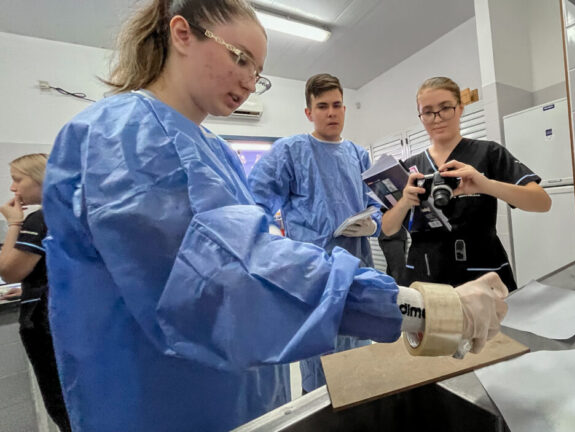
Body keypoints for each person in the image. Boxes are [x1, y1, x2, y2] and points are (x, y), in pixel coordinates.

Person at [42, 2, 508, 431]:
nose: (249, 80)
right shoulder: (123, 136)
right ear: (182, 33)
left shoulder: (214, 150)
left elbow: (254, 246)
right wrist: (426, 308)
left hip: (241, 392)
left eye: (259, 72)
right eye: (240, 58)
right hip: (160, 404)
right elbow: (237, 279)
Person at [248, 73, 381, 393]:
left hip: (357, 271)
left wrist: (372, 223)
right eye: (322, 106)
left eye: (337, 105)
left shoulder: (358, 155)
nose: (331, 112)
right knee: (322, 374)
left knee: (359, 364)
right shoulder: (290, 152)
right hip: (314, 276)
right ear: (309, 113)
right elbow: (254, 205)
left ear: (345, 109)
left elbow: (376, 203)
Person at [381, 77, 552, 292]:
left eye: (445, 108)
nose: (437, 118)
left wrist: (485, 185)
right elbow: (388, 228)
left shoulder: (488, 153)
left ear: (460, 109)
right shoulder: (410, 167)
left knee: (491, 325)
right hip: (425, 276)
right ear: (421, 116)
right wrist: (405, 201)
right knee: (429, 326)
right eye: (428, 111)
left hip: (481, 273)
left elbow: (542, 202)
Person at [0, 154, 71, 431]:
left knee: (60, 402)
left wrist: (14, 222)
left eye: (18, 180)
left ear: (42, 179)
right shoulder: (73, 210)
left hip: (45, 322)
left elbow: (8, 271)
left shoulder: (41, 218)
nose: (13, 189)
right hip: (72, 316)